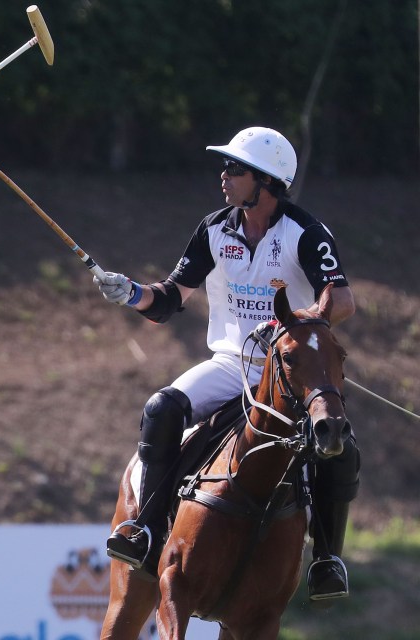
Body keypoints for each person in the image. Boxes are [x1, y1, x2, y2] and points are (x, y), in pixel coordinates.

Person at [95, 127, 359, 603]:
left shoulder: (306, 233)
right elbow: (171, 298)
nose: (224, 175)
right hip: (230, 364)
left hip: (290, 372)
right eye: (226, 167)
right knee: (161, 409)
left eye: (235, 168)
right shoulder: (215, 229)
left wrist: (301, 323)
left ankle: (326, 559)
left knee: (342, 450)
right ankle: (147, 532)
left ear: (266, 180)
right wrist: (133, 293)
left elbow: (340, 300)